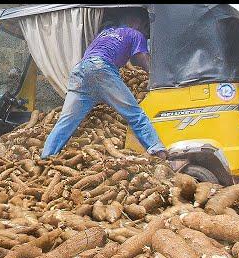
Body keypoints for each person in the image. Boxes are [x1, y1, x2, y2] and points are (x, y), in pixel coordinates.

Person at [41, 8, 168, 159]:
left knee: (67, 120)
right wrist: (158, 77)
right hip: (100, 68)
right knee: (134, 113)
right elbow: (141, 60)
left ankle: (46, 155)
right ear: (136, 22)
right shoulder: (135, 34)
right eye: (145, 26)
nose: (146, 31)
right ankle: (157, 150)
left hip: (80, 70)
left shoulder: (105, 33)